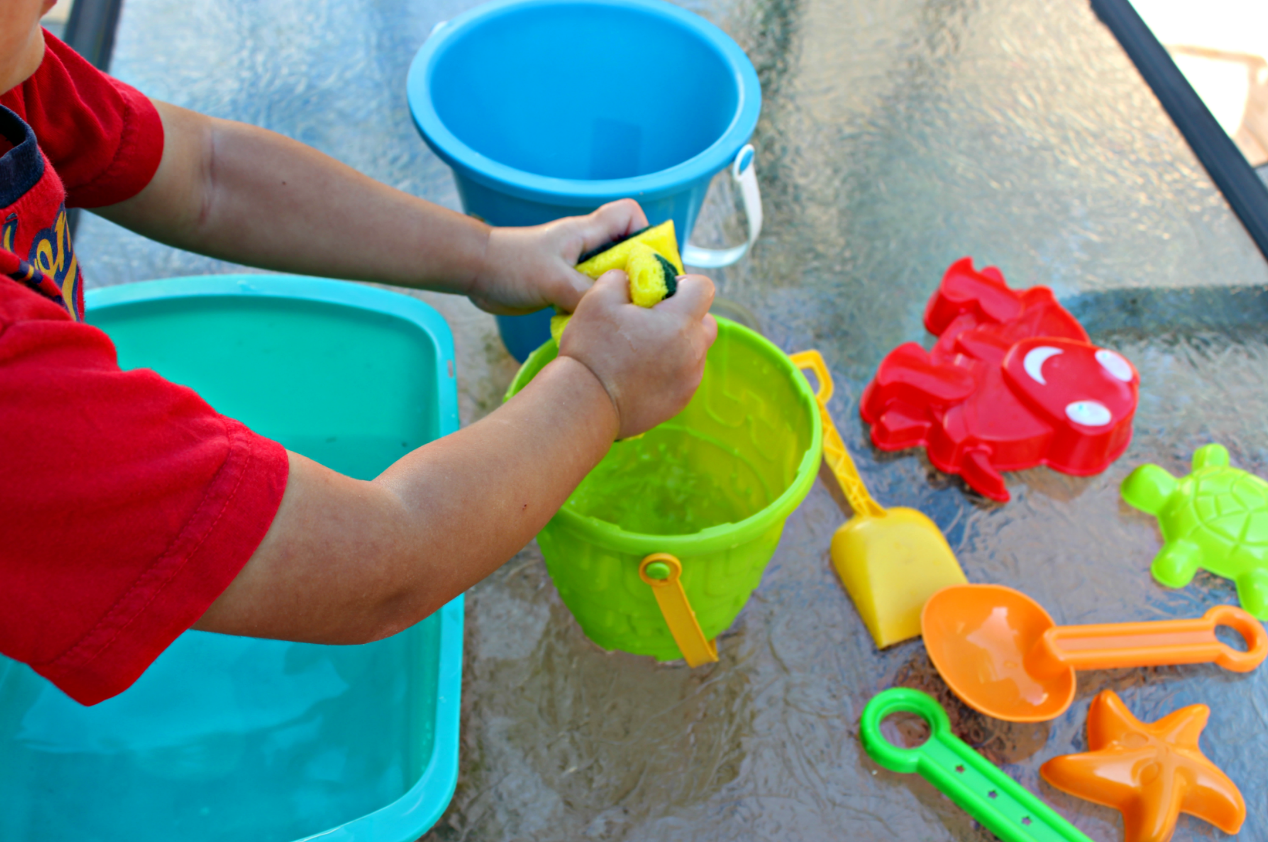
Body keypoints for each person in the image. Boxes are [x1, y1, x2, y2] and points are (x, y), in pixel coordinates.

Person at [0, 0, 717, 705]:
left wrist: (487, 254)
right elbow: (381, 566)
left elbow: (207, 170)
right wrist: (599, 388)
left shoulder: (14, 74)